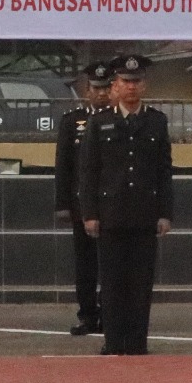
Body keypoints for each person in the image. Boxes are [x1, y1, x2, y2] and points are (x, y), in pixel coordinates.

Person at [79, 54, 173, 356]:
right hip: (111, 214)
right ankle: (114, 340)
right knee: (112, 283)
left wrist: (165, 213)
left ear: (143, 86)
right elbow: (89, 171)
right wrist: (90, 213)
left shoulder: (156, 121)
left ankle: (137, 343)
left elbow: (164, 171)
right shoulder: (100, 122)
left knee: (140, 284)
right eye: (125, 82)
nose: (131, 87)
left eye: (136, 81)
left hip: (145, 214)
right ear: (115, 86)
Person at [53, 60, 112, 336]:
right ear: (87, 90)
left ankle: (112, 313)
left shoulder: (119, 120)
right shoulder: (72, 121)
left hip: (113, 204)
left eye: (106, 88)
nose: (101, 94)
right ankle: (88, 314)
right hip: (81, 205)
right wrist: (62, 204)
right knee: (86, 263)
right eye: (96, 88)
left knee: (111, 263)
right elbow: (63, 166)